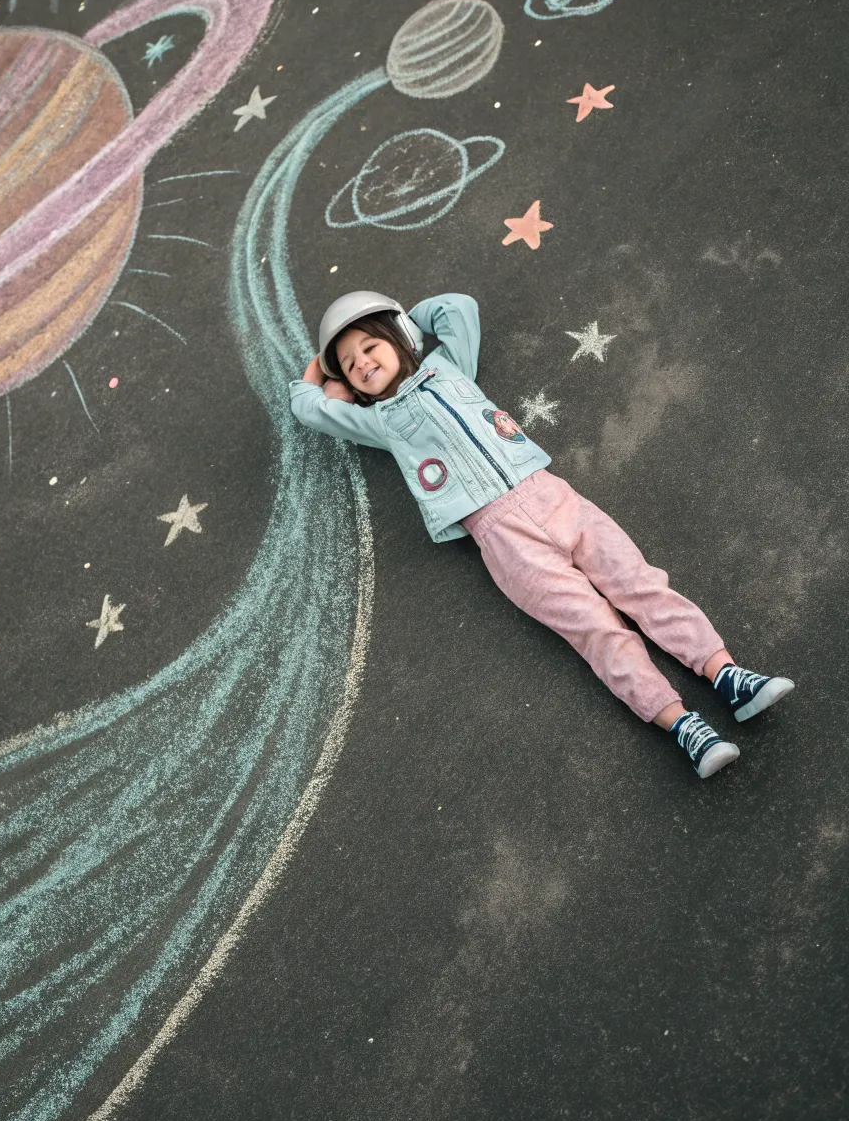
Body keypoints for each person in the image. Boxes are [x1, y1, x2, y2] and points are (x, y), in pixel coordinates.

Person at [290, 291, 794, 779]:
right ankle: (684, 726)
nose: (361, 363)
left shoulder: (447, 366)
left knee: (639, 582)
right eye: (351, 363)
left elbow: (457, 308)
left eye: (369, 347)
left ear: (398, 336)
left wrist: (404, 320)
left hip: (552, 496)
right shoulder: (377, 420)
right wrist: (326, 368)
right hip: (502, 539)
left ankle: (728, 675)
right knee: (594, 628)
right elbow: (309, 407)